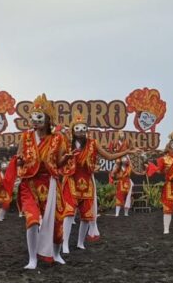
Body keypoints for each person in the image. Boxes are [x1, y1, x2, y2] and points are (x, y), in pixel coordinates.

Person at [60, 113, 135, 253]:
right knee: (69, 214)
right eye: (78, 129)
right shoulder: (66, 144)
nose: (81, 131)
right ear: (73, 130)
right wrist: (65, 158)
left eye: (84, 129)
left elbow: (109, 156)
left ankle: (80, 243)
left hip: (87, 183)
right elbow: (58, 160)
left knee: (86, 216)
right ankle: (64, 245)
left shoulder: (93, 143)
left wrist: (126, 151)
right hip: (71, 181)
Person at [16, 94, 71, 269]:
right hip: (29, 184)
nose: (35, 121)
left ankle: (56, 253)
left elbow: (59, 163)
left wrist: (66, 159)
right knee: (32, 220)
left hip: (50, 184)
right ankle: (32, 259)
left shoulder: (58, 139)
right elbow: (20, 157)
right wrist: (18, 162)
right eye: (33, 117)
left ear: (48, 120)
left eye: (39, 117)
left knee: (57, 222)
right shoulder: (25, 137)